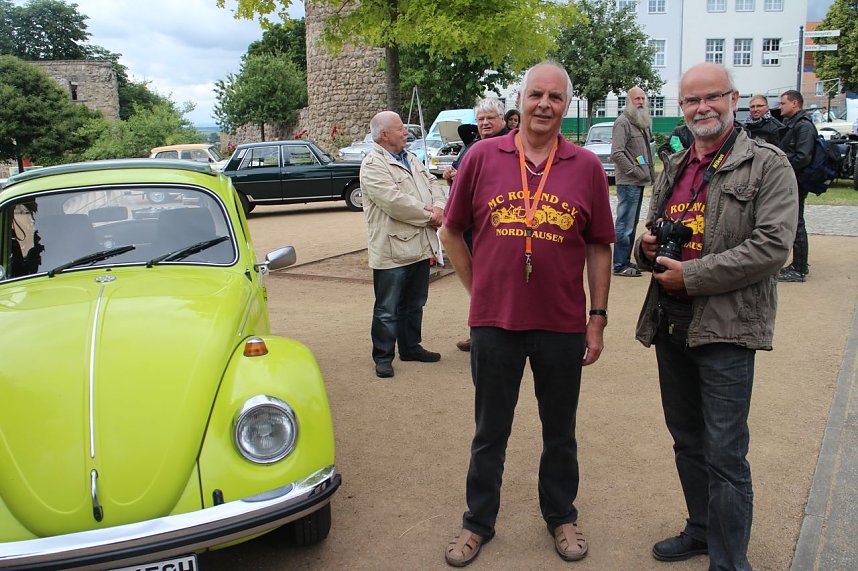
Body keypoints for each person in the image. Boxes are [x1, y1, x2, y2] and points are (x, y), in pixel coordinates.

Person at [440, 61, 614, 567]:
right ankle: (477, 522)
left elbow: (599, 245)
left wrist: (597, 317)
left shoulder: (585, 166)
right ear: (520, 100)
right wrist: (478, 290)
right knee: (489, 430)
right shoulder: (481, 156)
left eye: (555, 97)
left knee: (560, 430)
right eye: (536, 94)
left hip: (562, 324)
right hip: (495, 324)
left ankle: (561, 515)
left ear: (566, 105)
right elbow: (451, 230)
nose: (544, 104)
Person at [634, 62, 797, 570]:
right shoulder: (676, 165)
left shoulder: (768, 164)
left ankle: (728, 561)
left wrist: (694, 275)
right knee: (687, 440)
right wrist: (646, 248)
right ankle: (702, 530)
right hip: (670, 321)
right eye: (691, 100)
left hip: (726, 327)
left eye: (712, 97)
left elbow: (772, 247)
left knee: (725, 453)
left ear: (733, 98)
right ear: (681, 108)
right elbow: (653, 230)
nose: (702, 107)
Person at [360, 111, 447, 378]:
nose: (405, 132)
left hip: (419, 246)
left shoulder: (410, 158)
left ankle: (410, 347)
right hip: (392, 250)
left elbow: (433, 182)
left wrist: (440, 206)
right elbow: (394, 202)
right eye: (400, 129)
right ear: (384, 135)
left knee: (415, 303)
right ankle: (383, 356)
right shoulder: (372, 165)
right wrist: (430, 216)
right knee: (387, 308)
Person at [441, 97, 510, 353]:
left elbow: (503, 183)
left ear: (502, 119)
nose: (485, 123)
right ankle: (480, 332)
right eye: (481, 119)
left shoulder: (509, 145)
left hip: (495, 226)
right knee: (476, 281)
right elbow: (461, 173)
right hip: (469, 225)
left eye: (490, 118)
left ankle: (499, 334)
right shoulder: (473, 144)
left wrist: (465, 179)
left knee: (496, 281)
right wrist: (451, 176)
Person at [611, 86, 655, 277]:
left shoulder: (639, 122)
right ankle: (619, 265)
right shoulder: (623, 122)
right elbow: (617, 153)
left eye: (643, 98)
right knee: (625, 225)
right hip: (629, 182)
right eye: (637, 99)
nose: (641, 102)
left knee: (632, 224)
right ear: (628, 101)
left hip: (638, 181)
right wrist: (635, 171)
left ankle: (625, 261)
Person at [777, 89, 817, 283]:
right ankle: (798, 266)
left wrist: (780, 167)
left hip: (797, 181)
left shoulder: (804, 126)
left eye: (783, 103)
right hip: (792, 180)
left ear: (795, 103)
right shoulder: (793, 124)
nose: (780, 107)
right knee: (793, 221)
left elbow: (803, 157)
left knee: (797, 222)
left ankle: (799, 268)